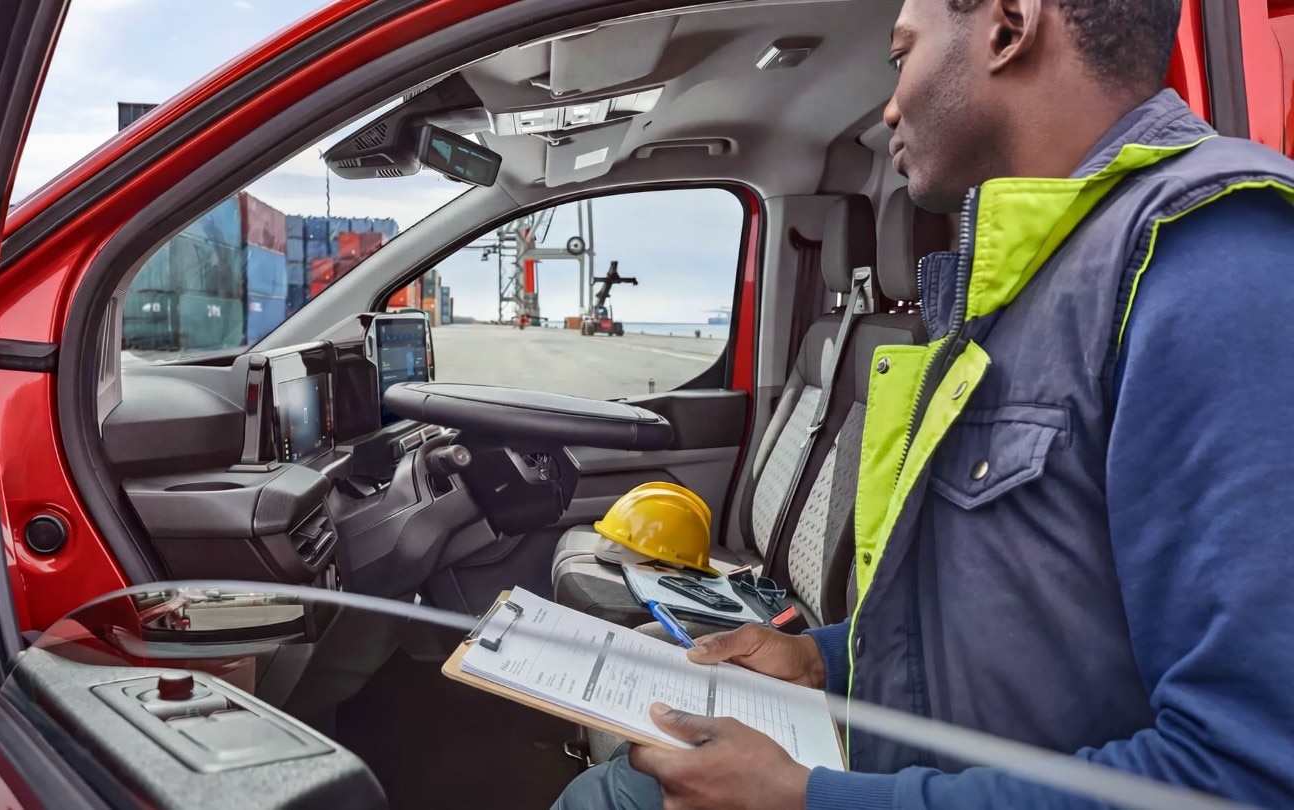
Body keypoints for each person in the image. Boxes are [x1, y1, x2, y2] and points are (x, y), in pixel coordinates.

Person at [553, 0, 1294, 807]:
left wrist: (809, 800)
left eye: (902, 53)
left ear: (1009, 25)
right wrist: (822, 660)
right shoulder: (1025, 289)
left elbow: (1248, 776)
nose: (891, 104)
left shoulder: (1218, 269)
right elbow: (1002, 634)